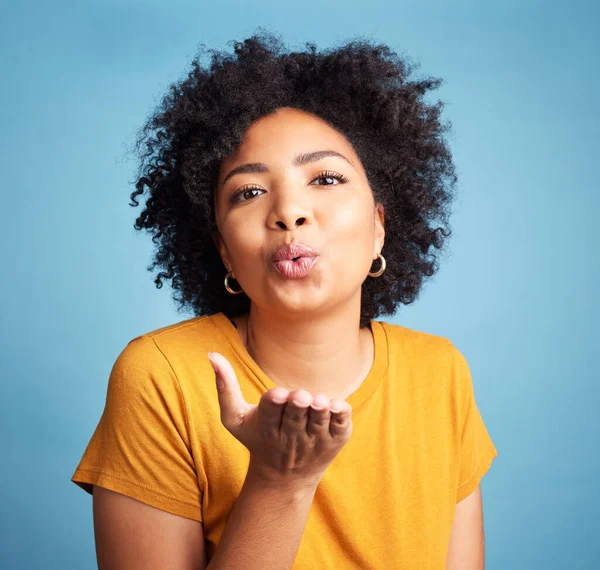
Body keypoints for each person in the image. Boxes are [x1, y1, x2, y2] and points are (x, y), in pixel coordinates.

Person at [71, 29, 498, 569]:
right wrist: (279, 481)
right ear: (225, 251)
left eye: (325, 178)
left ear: (378, 230)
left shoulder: (439, 373)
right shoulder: (163, 377)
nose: (288, 211)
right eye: (249, 192)